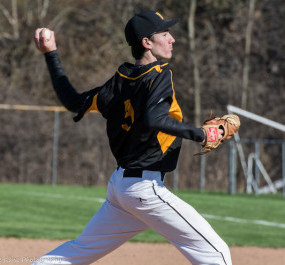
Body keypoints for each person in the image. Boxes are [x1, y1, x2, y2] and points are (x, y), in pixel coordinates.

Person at [33, 10, 232, 265]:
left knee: (77, 252)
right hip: (144, 190)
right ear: (147, 43)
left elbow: (73, 100)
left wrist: (51, 54)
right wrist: (203, 134)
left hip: (122, 188)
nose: (172, 39)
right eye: (164, 34)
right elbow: (154, 119)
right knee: (216, 254)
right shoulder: (159, 73)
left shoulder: (118, 82)